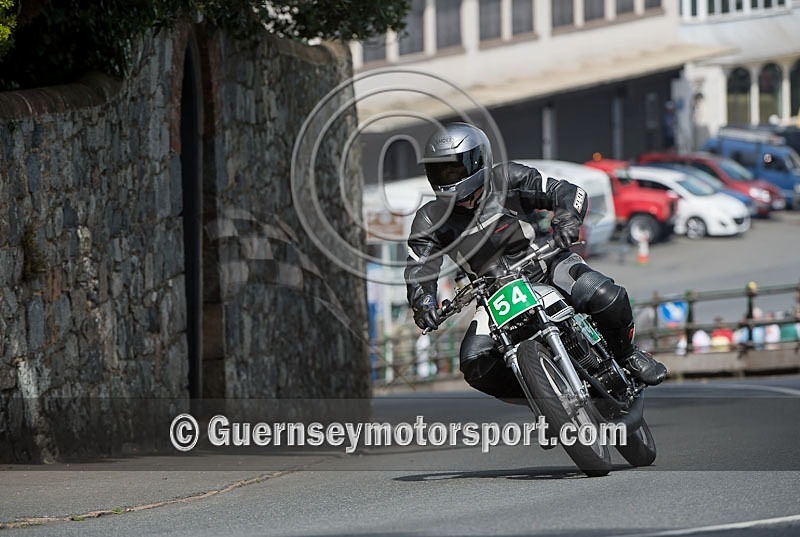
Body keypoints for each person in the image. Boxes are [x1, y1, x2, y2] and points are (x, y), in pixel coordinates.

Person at [404, 122, 667, 401]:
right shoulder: (429, 219)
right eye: (439, 170)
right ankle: (544, 401)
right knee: (475, 363)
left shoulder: (508, 178)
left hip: (546, 266)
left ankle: (628, 355)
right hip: (495, 297)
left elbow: (569, 192)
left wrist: (567, 219)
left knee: (606, 295)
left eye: (454, 168)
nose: (447, 177)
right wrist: (424, 303)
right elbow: (419, 267)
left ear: (478, 160)